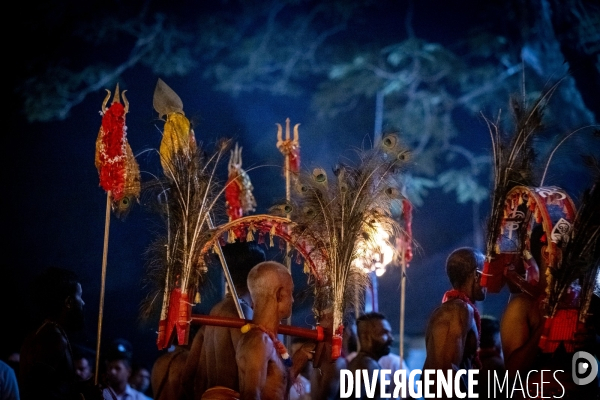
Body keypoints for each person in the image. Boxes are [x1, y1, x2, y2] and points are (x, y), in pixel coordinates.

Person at [181, 241, 266, 399]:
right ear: (258, 275)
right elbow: (249, 372)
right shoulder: (242, 312)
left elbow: (187, 378)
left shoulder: (215, 311)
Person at [235, 261, 315, 400]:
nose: (293, 300)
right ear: (279, 295)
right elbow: (251, 396)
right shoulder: (260, 341)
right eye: (291, 293)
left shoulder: (268, 339)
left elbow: (277, 386)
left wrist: (302, 354)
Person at [19, 267, 99, 400]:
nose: (83, 303)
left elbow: (53, 386)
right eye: (80, 296)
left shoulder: (42, 332)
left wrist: (83, 387)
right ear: (68, 302)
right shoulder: (53, 338)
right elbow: (37, 393)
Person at [422, 247, 486, 397]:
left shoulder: (456, 309)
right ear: (477, 274)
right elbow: (442, 377)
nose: (488, 281)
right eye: (486, 273)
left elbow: (426, 377)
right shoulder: (457, 311)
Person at [347, 312, 394, 400]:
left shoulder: (368, 363)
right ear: (366, 337)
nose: (391, 338)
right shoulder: (365, 366)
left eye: (390, 333)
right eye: (384, 333)